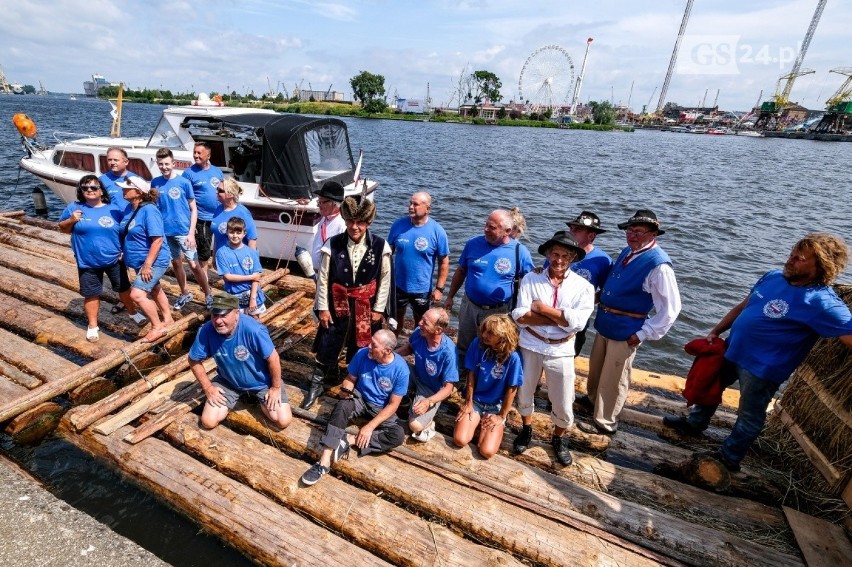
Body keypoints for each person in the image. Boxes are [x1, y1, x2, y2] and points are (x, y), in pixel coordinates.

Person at [663, 233, 852, 471]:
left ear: (822, 266)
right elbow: (744, 306)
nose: (791, 259)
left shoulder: (823, 303)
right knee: (710, 386)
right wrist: (716, 331)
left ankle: (729, 457)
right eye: (792, 253)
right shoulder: (773, 276)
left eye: (800, 258)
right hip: (733, 349)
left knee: (749, 414)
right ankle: (695, 423)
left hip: (763, 368)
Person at [578, 209, 681, 435]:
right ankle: (592, 401)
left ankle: (606, 422)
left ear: (653, 233)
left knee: (614, 379)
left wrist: (644, 333)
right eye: (630, 230)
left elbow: (670, 308)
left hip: (626, 330)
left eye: (639, 231)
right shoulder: (629, 252)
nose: (632, 235)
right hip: (607, 323)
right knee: (597, 369)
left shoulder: (659, 265)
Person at [511, 231, 595, 465]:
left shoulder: (584, 287)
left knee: (563, 399)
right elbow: (519, 316)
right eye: (555, 254)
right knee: (525, 390)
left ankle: (558, 438)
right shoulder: (530, 279)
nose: (559, 260)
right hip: (531, 344)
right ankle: (526, 429)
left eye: (565, 256)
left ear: (572, 259)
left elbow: (578, 323)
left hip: (561, 349)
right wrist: (559, 318)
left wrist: (542, 310)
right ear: (547, 255)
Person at [303, 196, 393, 410]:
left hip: (366, 304)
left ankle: (356, 384)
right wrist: (323, 308)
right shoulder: (332, 244)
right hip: (337, 303)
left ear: (368, 223)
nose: (355, 227)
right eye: (351, 221)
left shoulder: (380, 245)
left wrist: (379, 309)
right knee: (329, 340)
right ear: (345, 220)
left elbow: (385, 279)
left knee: (361, 345)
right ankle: (317, 384)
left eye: (360, 222)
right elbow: (323, 279)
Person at [300, 329, 408, 485]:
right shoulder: (362, 354)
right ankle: (323, 463)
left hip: (381, 408)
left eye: (374, 345)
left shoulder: (400, 369)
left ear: (387, 351)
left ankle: (349, 440)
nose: (369, 346)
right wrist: (346, 389)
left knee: (397, 435)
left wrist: (369, 427)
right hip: (360, 399)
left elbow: (393, 405)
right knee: (342, 406)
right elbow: (350, 378)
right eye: (370, 342)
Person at [188, 294, 291, 430]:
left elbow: (273, 358)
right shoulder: (206, 331)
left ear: (237, 313)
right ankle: (235, 399)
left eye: (223, 315)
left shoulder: (253, 330)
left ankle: (259, 399)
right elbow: (193, 360)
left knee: (282, 420)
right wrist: (208, 388)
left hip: (262, 382)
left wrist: (275, 388)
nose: (218, 321)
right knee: (208, 422)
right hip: (229, 382)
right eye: (214, 315)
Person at [445, 209, 534, 366]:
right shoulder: (473, 244)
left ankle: (487, 379)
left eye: (492, 227)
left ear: (507, 231)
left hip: (499, 311)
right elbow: (461, 271)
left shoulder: (520, 252)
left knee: (494, 347)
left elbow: (530, 282)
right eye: (486, 225)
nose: (486, 229)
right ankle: (461, 376)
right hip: (470, 306)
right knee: (464, 345)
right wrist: (450, 296)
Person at [58, 176, 141, 342]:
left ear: (101, 191)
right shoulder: (74, 208)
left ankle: (133, 312)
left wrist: (124, 251)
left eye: (94, 187)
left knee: (124, 288)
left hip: (114, 259)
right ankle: (93, 325)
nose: (89, 190)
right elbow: (63, 229)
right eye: (85, 187)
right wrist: (71, 220)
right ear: (81, 191)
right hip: (87, 261)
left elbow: (125, 231)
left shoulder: (114, 210)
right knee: (91, 294)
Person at [453, 314, 523, 459]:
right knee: (460, 440)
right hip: (477, 401)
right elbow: (471, 374)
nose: (484, 335)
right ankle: (475, 421)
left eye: (490, 333)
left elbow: (512, 388)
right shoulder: (477, 344)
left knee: (487, 451)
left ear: (503, 336)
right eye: (484, 330)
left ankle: (488, 426)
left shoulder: (513, 357)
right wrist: (468, 402)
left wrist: (501, 416)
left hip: (495, 406)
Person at [152, 148, 211, 311]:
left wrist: (191, 232)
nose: (164, 167)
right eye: (161, 164)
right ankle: (185, 293)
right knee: (176, 263)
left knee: (194, 264)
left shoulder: (183, 183)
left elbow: (194, 208)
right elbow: (155, 209)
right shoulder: (155, 183)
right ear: (158, 164)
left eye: (167, 164)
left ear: (173, 163)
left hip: (184, 232)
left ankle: (208, 294)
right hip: (166, 232)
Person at [117, 177, 175, 343]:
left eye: (126, 188)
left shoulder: (150, 210)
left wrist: (148, 265)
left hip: (153, 260)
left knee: (137, 294)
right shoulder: (130, 208)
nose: (123, 190)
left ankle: (157, 327)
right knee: (155, 288)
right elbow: (128, 232)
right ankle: (168, 319)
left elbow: (157, 240)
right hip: (138, 260)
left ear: (138, 192)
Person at [387, 192, 450, 334]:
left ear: (427, 209)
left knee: (421, 322)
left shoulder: (437, 231)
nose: (410, 207)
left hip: (421, 289)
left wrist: (439, 289)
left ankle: (417, 348)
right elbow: (387, 253)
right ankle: (394, 344)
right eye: (410, 203)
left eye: (415, 204)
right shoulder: (398, 225)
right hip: (398, 285)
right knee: (395, 319)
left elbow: (444, 262)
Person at [395, 307, 459, 441]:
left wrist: (429, 402)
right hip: (416, 373)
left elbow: (448, 388)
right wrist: (392, 356)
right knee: (391, 365)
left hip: (431, 389)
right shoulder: (420, 333)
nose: (419, 323)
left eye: (425, 322)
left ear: (438, 330)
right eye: (422, 319)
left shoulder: (448, 352)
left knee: (415, 425)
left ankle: (429, 423)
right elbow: (409, 347)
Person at [565, 211, 614, 355]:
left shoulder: (602, 260)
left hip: (578, 319)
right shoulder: (560, 251)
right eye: (571, 228)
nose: (572, 232)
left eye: (577, 229)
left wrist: (586, 303)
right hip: (550, 314)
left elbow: (607, 290)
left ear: (591, 236)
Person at [182, 141, 224, 283]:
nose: (196, 155)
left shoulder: (217, 172)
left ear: (208, 155)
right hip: (202, 219)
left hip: (218, 216)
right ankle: (204, 281)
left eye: (199, 153)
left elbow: (223, 191)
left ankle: (219, 270)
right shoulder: (188, 173)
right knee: (204, 252)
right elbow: (184, 199)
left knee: (221, 245)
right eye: (194, 152)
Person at [216, 217, 266, 317]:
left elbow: (257, 276)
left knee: (255, 321)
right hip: (234, 296)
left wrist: (253, 299)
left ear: (244, 233)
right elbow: (228, 277)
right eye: (231, 232)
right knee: (235, 323)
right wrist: (251, 277)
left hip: (252, 293)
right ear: (227, 232)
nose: (235, 236)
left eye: (238, 233)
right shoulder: (221, 253)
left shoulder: (251, 252)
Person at [295, 181, 346, 277]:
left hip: (331, 276)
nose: (318, 205)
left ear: (334, 204)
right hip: (320, 275)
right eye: (319, 201)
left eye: (321, 202)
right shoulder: (325, 219)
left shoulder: (342, 225)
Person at [211, 177, 258, 254]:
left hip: (238, 258)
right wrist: (214, 257)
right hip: (222, 258)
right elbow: (217, 236)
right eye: (217, 189)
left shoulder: (243, 213)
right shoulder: (218, 209)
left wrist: (251, 261)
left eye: (220, 190)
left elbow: (252, 240)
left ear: (230, 194)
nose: (216, 192)